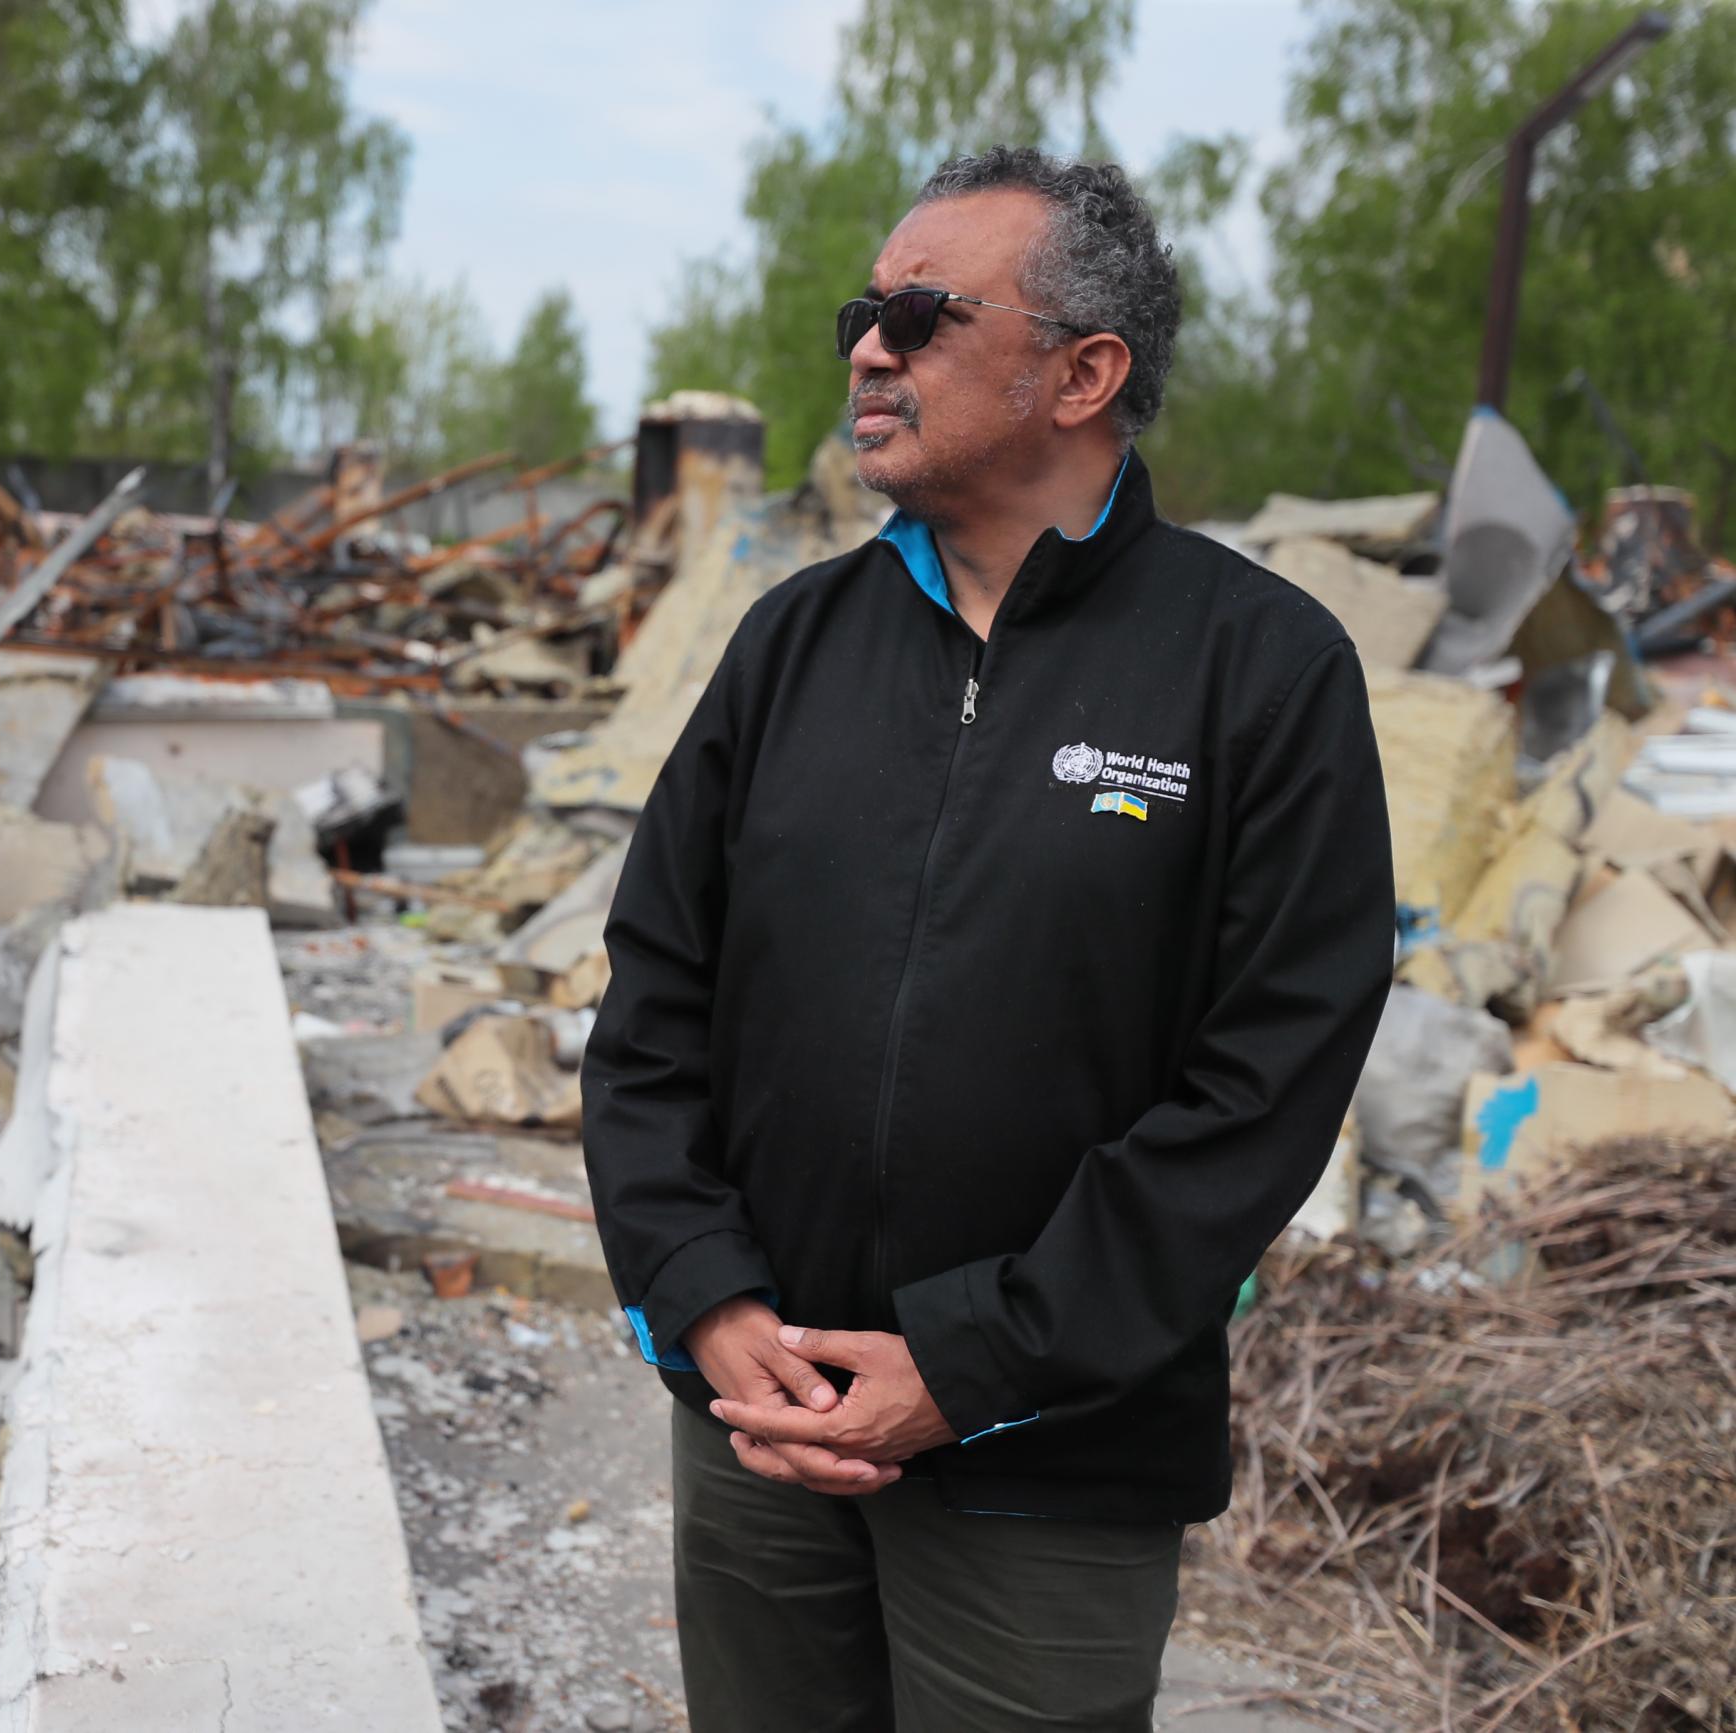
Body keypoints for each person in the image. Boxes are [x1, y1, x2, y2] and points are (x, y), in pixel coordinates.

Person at [580, 146, 1396, 1731]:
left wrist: (965, 1362)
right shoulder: (789, 645)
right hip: (761, 1425)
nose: (869, 348)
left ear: (1084, 372)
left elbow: (1260, 1096)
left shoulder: (1263, 674)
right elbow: (654, 999)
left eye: (922, 313)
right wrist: (708, 1298)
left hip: (1052, 1461)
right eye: (862, 315)